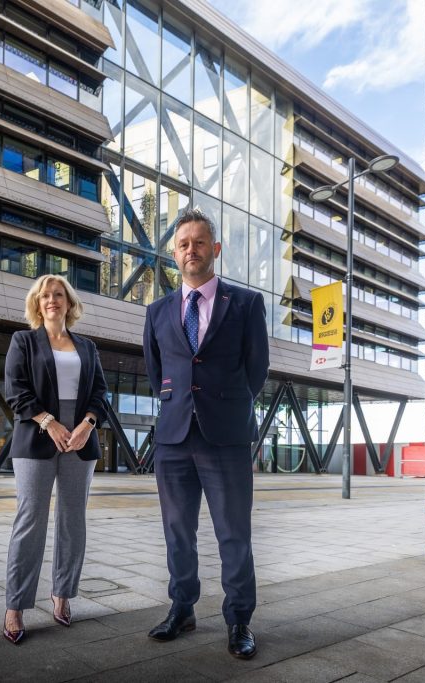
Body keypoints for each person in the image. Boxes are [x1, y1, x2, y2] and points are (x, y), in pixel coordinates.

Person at [142, 208, 269, 660]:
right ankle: (182, 607)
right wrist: (183, 403)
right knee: (178, 531)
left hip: (226, 437)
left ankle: (238, 620)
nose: (191, 250)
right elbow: (158, 375)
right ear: (174, 254)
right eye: (183, 244)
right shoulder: (157, 312)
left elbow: (257, 370)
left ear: (215, 250)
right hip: (174, 438)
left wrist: (224, 405)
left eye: (199, 242)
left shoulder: (247, 304)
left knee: (233, 533)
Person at [0, 274, 107, 645]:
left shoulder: (87, 347)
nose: (52, 300)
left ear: (69, 302)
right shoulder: (23, 341)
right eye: (45, 295)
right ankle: (15, 606)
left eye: (58, 294)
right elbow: (15, 389)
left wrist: (86, 425)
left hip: (80, 438)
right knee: (30, 520)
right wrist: (48, 421)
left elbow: (100, 393)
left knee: (72, 519)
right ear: (36, 302)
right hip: (36, 436)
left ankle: (62, 594)